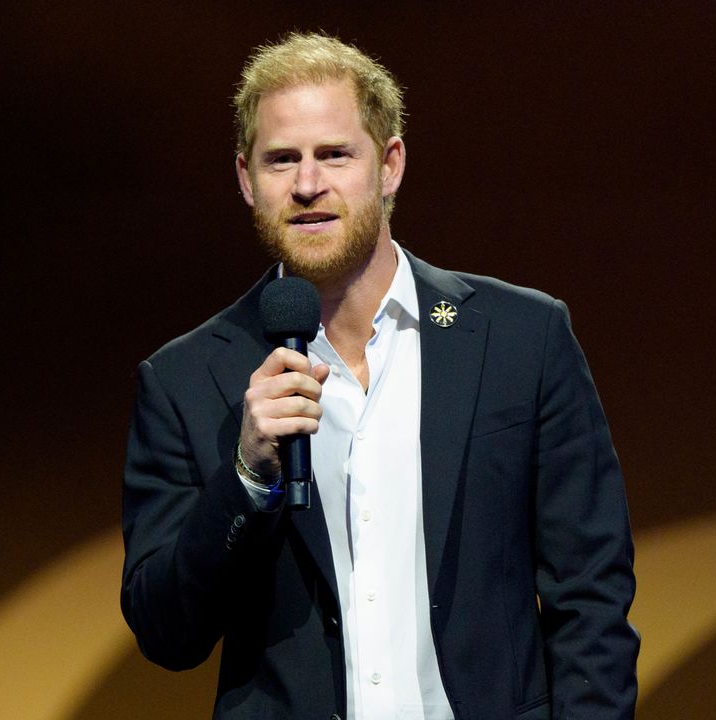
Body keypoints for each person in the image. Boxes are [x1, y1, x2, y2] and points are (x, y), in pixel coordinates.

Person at [121, 32, 639, 720]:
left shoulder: (522, 339)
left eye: (335, 154)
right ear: (247, 179)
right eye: (282, 160)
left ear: (389, 163)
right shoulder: (185, 380)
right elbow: (167, 633)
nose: (308, 185)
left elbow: (592, 597)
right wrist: (245, 478)